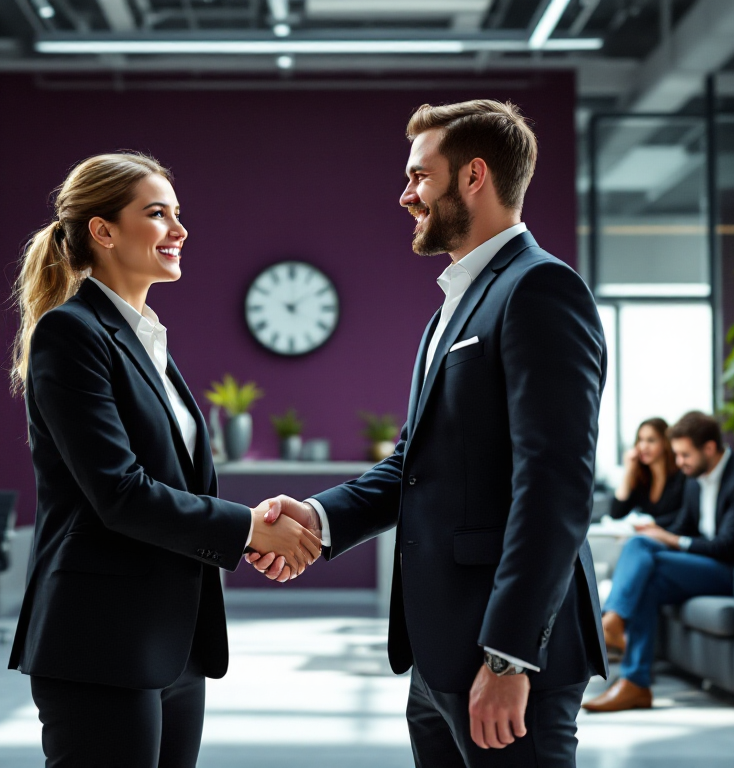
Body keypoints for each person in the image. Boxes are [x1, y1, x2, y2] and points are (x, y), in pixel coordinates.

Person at [251, 100, 608, 767]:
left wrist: (508, 657)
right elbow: (416, 463)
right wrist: (320, 518)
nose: (405, 194)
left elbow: (555, 486)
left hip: (504, 656)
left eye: (420, 176)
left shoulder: (540, 289)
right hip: (440, 648)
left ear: (474, 177)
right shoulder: (456, 302)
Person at [7, 152, 322, 768]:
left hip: (173, 641)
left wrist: (247, 532)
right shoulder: (71, 333)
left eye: (178, 213)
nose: (180, 230)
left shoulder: (145, 338)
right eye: (157, 214)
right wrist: (250, 528)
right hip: (101, 640)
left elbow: (175, 483)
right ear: (103, 231)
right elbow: (119, 492)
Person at [583, 411, 734, 713]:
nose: (679, 463)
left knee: (644, 552)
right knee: (644, 568)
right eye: (676, 455)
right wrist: (656, 534)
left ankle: (612, 621)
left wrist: (667, 539)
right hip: (711, 565)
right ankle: (635, 684)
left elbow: (727, 546)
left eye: (684, 455)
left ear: (709, 448)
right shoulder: (696, 480)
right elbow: (682, 527)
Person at [609, 417, 685, 527]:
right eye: (640, 440)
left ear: (665, 442)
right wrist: (629, 471)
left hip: (672, 537)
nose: (643, 446)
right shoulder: (643, 478)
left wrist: (650, 525)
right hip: (649, 537)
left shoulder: (681, 476)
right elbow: (616, 514)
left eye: (651, 440)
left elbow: (685, 515)